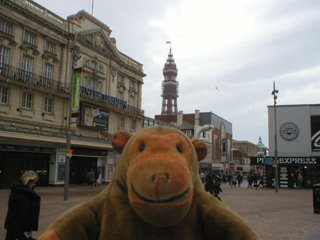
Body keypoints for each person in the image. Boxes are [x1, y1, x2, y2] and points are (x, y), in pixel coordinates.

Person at [4, 172, 40, 240]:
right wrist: (29, 228)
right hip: (20, 226)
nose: (34, 185)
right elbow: (25, 212)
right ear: (29, 182)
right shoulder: (25, 194)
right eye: (33, 183)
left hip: (11, 224)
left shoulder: (15, 190)